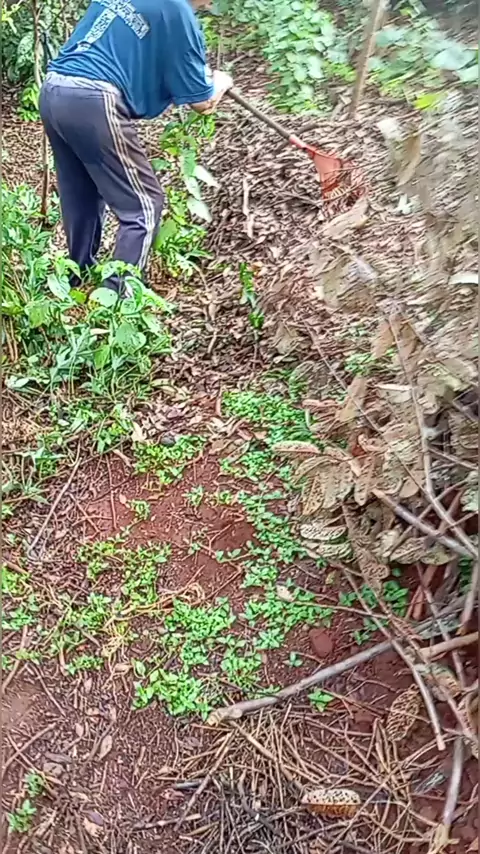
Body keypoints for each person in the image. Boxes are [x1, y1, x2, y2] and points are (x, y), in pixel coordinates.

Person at [39, 0, 232, 295]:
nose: (209, 4)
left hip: (54, 90)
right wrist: (222, 81)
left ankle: (76, 277)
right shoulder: (177, 10)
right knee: (144, 205)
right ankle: (118, 297)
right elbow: (202, 102)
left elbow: (130, 50)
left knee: (81, 193)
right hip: (93, 100)